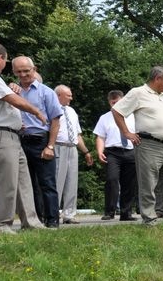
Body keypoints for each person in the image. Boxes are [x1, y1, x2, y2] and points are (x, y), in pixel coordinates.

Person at [0, 43, 48, 233]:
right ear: (0, 58)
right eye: (5, 60)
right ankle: (1, 225)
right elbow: (10, 98)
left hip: (8, 134)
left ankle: (31, 222)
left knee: (22, 180)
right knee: (6, 181)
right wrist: (36, 111)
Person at [112, 66, 163, 226]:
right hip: (149, 145)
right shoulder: (138, 93)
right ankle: (149, 220)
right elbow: (117, 111)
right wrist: (127, 133)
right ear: (157, 79)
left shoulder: (162, 96)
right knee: (148, 183)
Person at [12, 56, 63, 228]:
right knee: (27, 184)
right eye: (19, 71)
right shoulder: (12, 92)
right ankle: (35, 220)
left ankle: (52, 220)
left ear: (34, 69)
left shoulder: (46, 92)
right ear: (14, 72)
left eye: (26, 70)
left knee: (47, 183)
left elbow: (55, 120)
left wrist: (50, 146)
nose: (23, 74)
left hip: (41, 141)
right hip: (19, 140)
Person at [93, 90, 137, 221]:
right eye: (112, 102)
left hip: (130, 151)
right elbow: (100, 137)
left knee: (129, 183)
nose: (115, 105)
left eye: (117, 102)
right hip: (113, 152)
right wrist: (100, 151)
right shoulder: (104, 118)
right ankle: (109, 211)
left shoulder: (133, 116)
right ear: (109, 103)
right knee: (112, 180)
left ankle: (126, 213)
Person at [53, 85, 94, 224]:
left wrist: (86, 152)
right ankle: (52, 213)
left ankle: (69, 214)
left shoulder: (72, 111)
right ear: (58, 95)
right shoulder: (52, 108)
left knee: (72, 181)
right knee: (57, 180)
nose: (71, 98)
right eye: (68, 95)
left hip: (72, 148)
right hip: (58, 146)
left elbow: (77, 134)